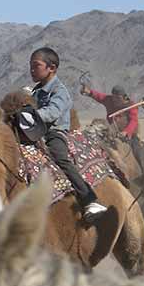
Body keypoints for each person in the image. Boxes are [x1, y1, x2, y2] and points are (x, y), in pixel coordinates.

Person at [27, 47, 107, 220]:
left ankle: (89, 199)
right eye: (31, 66)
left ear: (52, 68)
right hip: (34, 131)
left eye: (36, 66)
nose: (32, 70)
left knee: (59, 157)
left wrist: (31, 115)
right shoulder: (34, 90)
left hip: (53, 132)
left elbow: (52, 112)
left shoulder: (59, 91)